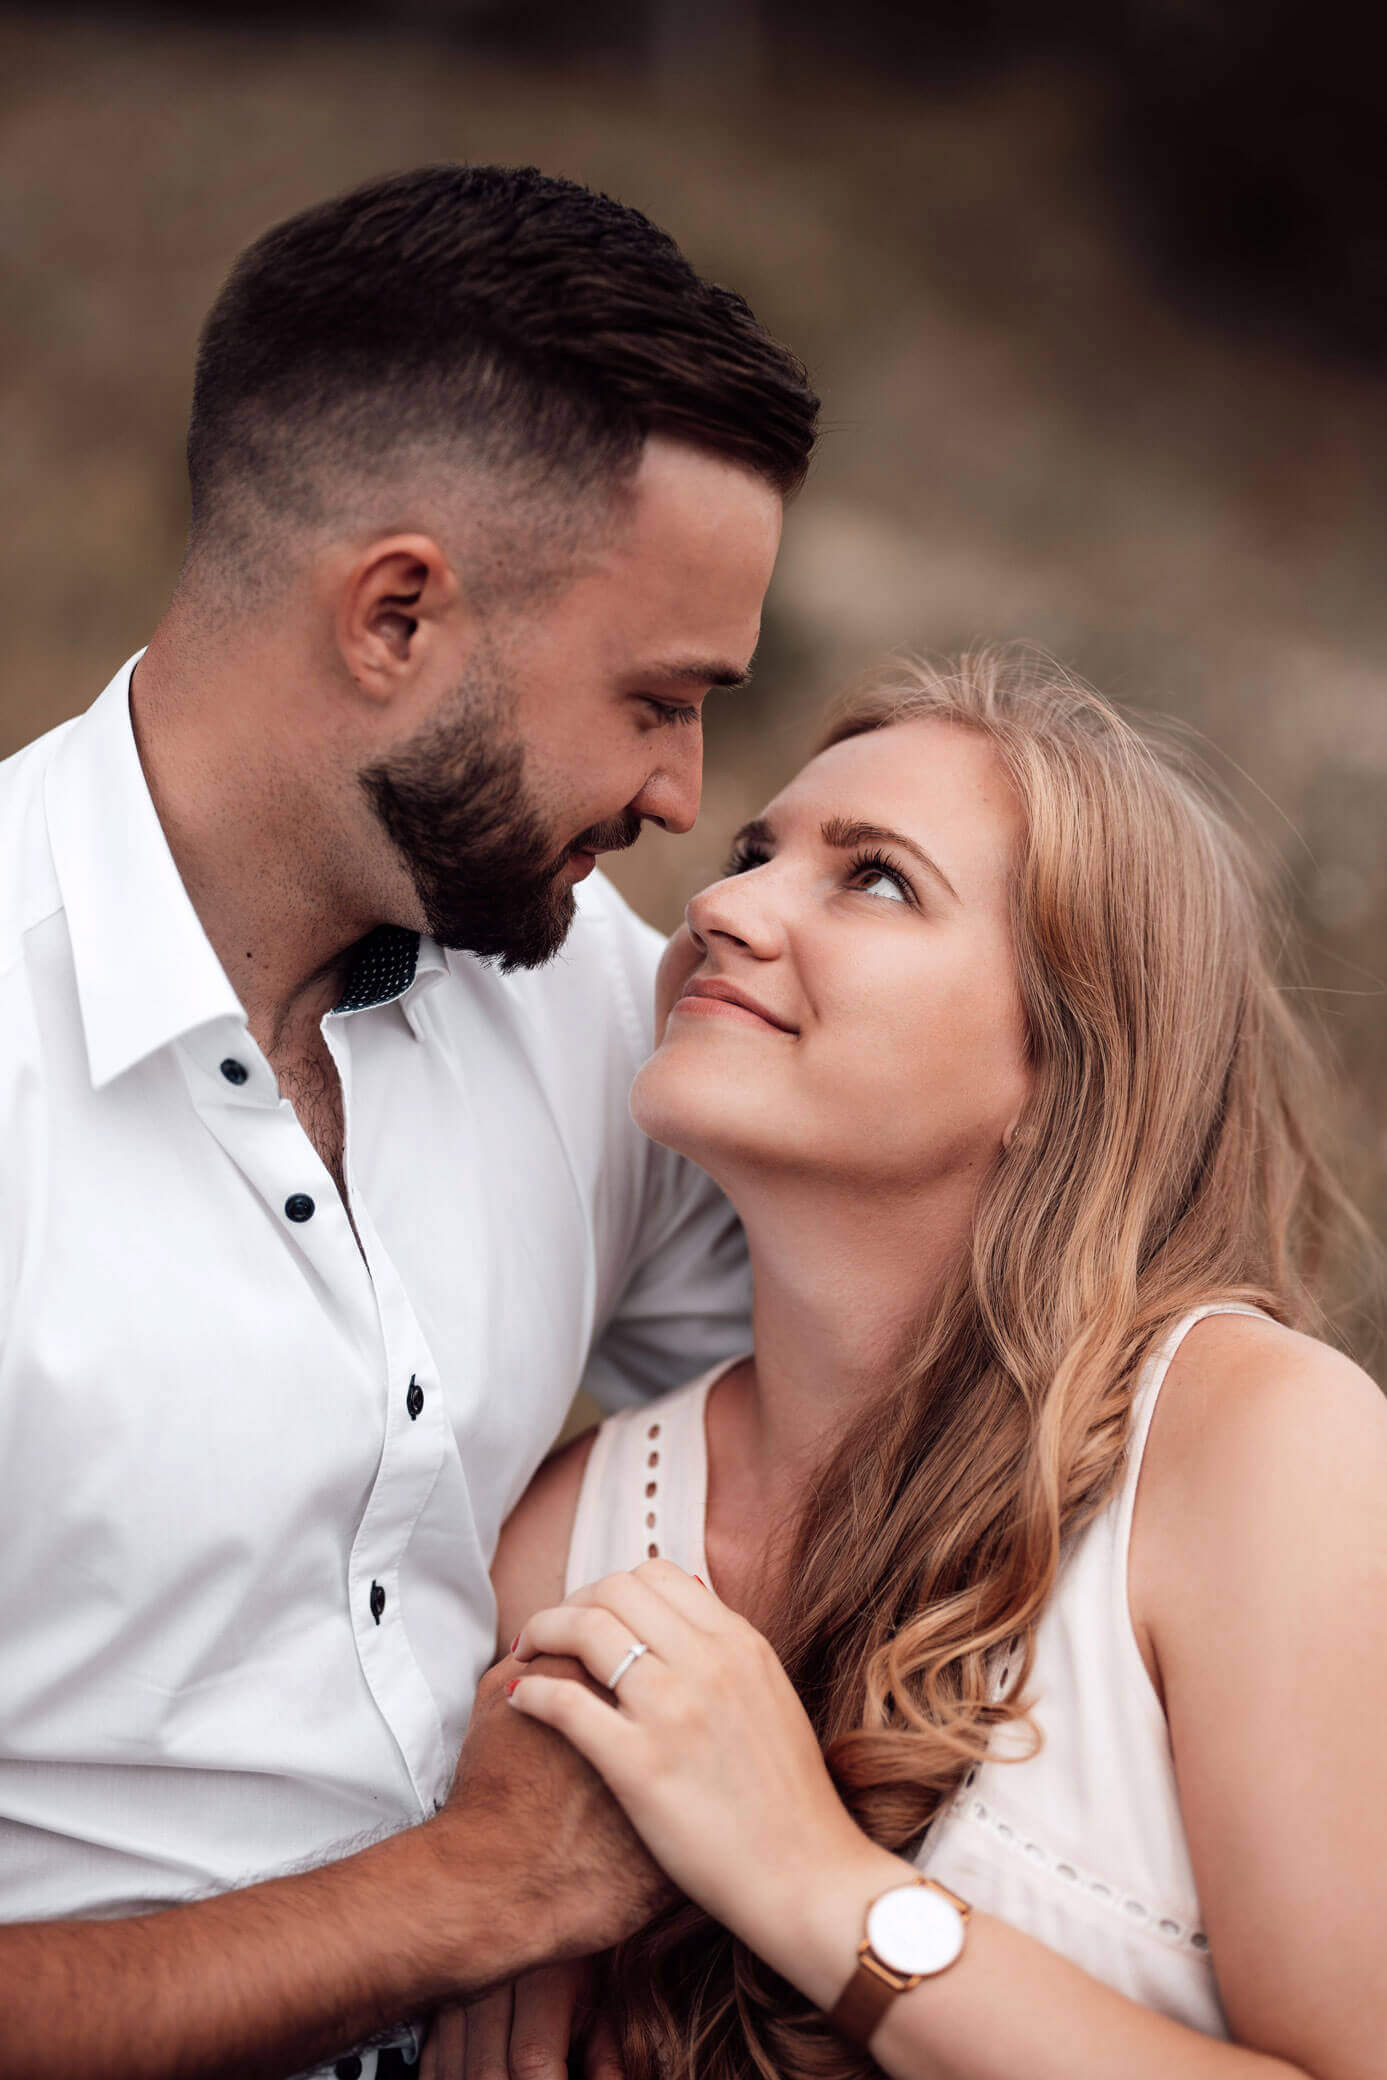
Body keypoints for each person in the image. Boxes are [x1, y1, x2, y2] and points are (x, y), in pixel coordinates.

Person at [0, 163, 818, 2078]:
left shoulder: (582, 989)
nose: (683, 794)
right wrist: (470, 1899)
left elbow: (895, 1355)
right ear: (395, 616)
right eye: (658, 700)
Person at [490, 652, 1387, 2080]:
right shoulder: (567, 1538)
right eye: (754, 855)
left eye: (877, 880)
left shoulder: (1256, 1449)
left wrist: (804, 1876)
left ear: (1065, 1066)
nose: (721, 907)